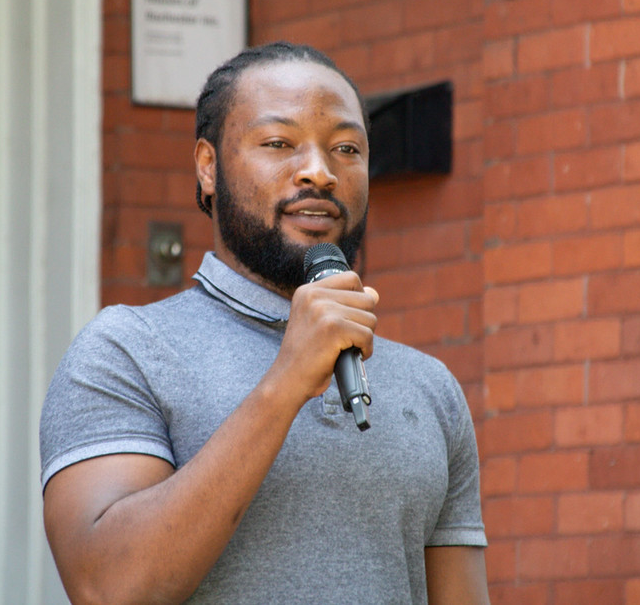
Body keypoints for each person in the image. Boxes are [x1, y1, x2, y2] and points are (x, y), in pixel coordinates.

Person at [39, 41, 489, 604]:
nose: (320, 172)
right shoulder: (126, 351)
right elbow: (109, 589)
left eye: (346, 148)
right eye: (279, 143)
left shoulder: (431, 388)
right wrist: (285, 384)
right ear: (208, 167)